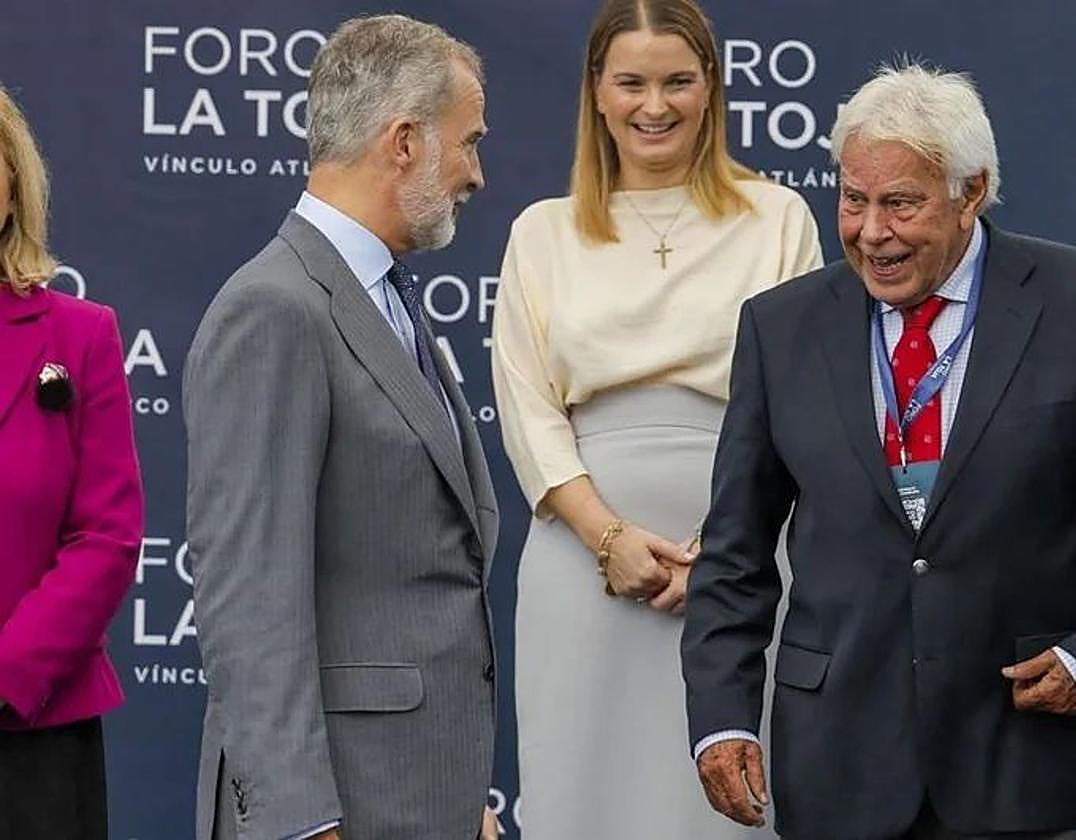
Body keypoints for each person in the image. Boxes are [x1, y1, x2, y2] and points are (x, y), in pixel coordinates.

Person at [681, 61, 1076, 840]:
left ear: (972, 193)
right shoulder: (780, 328)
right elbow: (733, 555)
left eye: (900, 203)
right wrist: (722, 720)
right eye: (853, 200)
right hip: (838, 762)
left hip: (1014, 754)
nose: (870, 231)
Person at [490, 0, 822, 836]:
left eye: (678, 81)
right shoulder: (543, 233)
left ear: (710, 88)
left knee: (731, 803)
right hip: (582, 563)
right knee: (583, 796)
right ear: (596, 93)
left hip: (747, 560)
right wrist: (609, 538)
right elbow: (528, 411)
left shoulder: (777, 218)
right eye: (631, 82)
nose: (655, 105)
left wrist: (723, 556)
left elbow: (811, 405)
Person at [184, 15, 499, 840]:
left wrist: (461, 799)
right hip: (335, 810)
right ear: (402, 142)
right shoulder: (274, 309)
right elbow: (250, 597)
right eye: (466, 143)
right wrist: (296, 820)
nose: (476, 173)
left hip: (416, 794)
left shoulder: (384, 295)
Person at [0, 86, 144, 839]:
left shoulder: (81, 335)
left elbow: (108, 536)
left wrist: (7, 674)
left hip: (34, 728)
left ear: (14, 180)